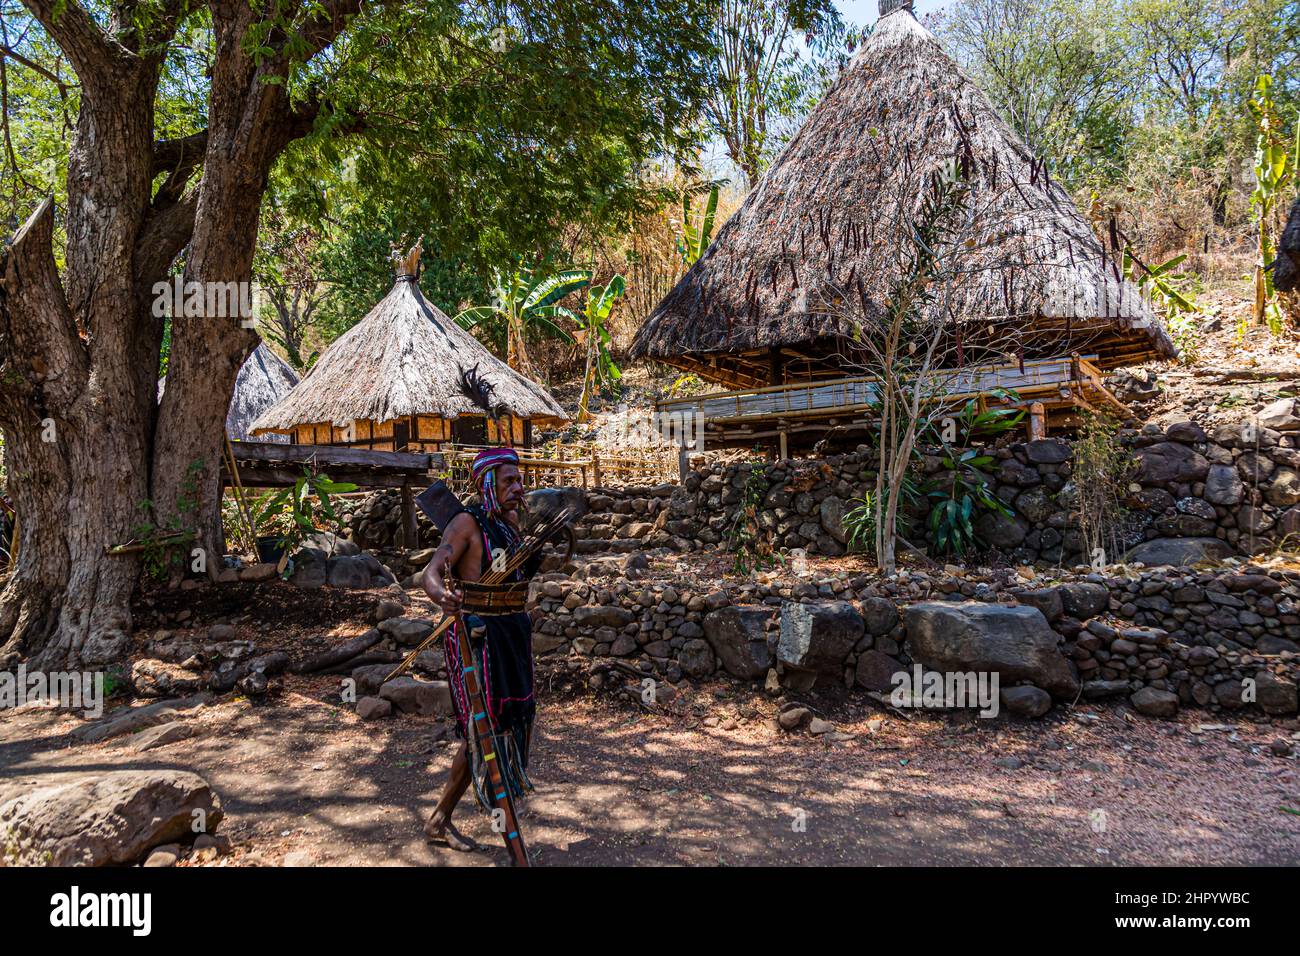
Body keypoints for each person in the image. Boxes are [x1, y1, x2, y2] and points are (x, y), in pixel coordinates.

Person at [421, 447, 541, 852]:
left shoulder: (509, 525)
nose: (518, 487)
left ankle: (440, 819)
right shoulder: (465, 523)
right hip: (477, 636)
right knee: (483, 727)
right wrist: (443, 597)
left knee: (499, 722)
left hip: (510, 633)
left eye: (520, 480)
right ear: (485, 483)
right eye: (508, 480)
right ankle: (490, 826)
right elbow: (432, 571)